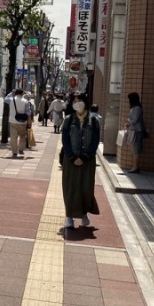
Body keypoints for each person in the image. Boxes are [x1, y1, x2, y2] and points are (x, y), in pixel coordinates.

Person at [61, 92, 100, 229]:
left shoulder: (94, 121)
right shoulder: (68, 120)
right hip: (70, 160)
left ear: (85, 102)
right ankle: (69, 217)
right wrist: (72, 156)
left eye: (80, 100)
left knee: (86, 188)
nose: (77, 103)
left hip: (87, 161)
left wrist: (85, 157)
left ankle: (83, 214)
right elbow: (65, 139)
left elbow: (95, 141)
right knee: (70, 188)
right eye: (74, 101)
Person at [5, 88, 31, 157]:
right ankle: (21, 149)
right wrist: (29, 121)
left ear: (15, 93)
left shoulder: (11, 100)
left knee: (13, 137)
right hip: (23, 122)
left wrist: (11, 93)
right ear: (22, 94)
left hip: (13, 121)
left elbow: (5, 99)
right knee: (22, 136)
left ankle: (14, 151)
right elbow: (28, 112)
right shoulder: (26, 101)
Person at [125, 92, 146, 173]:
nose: (128, 101)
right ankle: (135, 166)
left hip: (137, 131)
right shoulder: (134, 108)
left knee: (136, 149)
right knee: (134, 149)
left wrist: (128, 121)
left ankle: (135, 167)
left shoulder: (137, 108)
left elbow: (135, 119)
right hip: (134, 130)